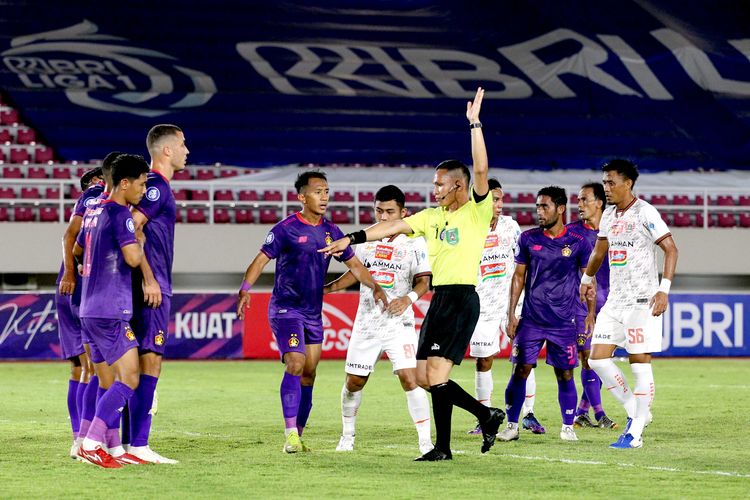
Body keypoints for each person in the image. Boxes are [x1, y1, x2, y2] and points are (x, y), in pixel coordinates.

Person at [321, 87, 505, 462]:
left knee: (435, 377)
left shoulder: (476, 211)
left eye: (439, 183)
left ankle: (484, 417)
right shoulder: (431, 217)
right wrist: (351, 238)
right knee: (425, 377)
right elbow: (390, 228)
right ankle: (446, 444)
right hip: (440, 301)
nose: (433, 189)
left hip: (461, 298)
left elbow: (482, 169)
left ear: (457, 184)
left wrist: (475, 124)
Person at [237, 170, 387, 454]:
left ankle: (299, 435)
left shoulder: (332, 232)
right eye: (318, 191)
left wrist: (375, 286)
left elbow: (355, 266)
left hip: (312, 313)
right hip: (285, 308)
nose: (324, 197)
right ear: (301, 197)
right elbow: (260, 260)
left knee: (309, 374)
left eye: (327, 191)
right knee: (295, 362)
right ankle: (290, 434)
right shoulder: (285, 229)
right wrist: (245, 288)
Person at [325, 185, 433, 455]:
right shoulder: (366, 239)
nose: (383, 217)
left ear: (403, 213)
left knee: (411, 379)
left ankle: (425, 442)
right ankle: (347, 436)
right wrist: (328, 289)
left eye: (390, 212)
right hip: (367, 323)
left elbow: (424, 281)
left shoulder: (415, 241)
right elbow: (355, 273)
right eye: (379, 211)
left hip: (400, 323)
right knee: (354, 383)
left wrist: (407, 299)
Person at [580, 159, 678, 449]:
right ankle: (637, 410)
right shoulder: (609, 215)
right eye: (605, 182)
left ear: (628, 183)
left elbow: (671, 249)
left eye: (611, 182)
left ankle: (634, 433)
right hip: (615, 302)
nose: (606, 187)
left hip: (641, 301)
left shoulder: (645, 212)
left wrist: (664, 290)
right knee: (597, 359)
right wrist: (586, 278)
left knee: (639, 363)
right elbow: (599, 252)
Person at [498, 186, 594, 443]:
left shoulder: (578, 243)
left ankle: (567, 426)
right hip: (531, 319)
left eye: (545, 207)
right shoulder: (528, 239)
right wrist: (511, 315)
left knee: (565, 373)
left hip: (564, 322)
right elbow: (518, 277)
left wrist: (590, 315)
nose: (539, 212)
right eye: (537, 207)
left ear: (560, 209)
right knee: (521, 370)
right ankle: (512, 425)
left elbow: (588, 283)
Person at [73, 154, 150, 468]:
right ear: (125, 183)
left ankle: (115, 449)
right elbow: (133, 258)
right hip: (110, 309)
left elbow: (78, 249)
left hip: (89, 309)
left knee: (106, 381)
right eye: (142, 184)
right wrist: (140, 239)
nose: (144, 191)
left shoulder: (93, 211)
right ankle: (91, 443)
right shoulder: (120, 213)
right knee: (130, 378)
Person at [127, 124, 187, 464]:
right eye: (182, 144)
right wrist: (148, 277)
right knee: (151, 360)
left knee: (135, 364)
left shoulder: (153, 187)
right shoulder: (156, 188)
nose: (186, 151)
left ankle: (122, 444)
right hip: (151, 288)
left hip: (146, 284)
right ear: (166, 150)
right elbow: (132, 225)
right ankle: (138, 445)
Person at [466, 178, 521, 434]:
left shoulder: (512, 227)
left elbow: (523, 262)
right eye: (494, 200)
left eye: (500, 199)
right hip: (482, 304)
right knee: (483, 360)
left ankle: (527, 414)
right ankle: (484, 416)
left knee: (524, 358)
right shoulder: (467, 227)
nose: (499, 205)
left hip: (512, 300)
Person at [57, 166, 103, 458]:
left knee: (79, 367)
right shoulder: (95, 197)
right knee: (93, 367)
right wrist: (74, 275)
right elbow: (72, 242)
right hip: (81, 289)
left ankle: (78, 436)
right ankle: (86, 437)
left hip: (69, 287)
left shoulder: (87, 206)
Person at [568, 182, 617, 430]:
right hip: (582, 303)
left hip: (611, 301)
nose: (579, 205)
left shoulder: (614, 229)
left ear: (599, 202)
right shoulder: (571, 233)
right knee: (587, 357)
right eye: (578, 200)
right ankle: (600, 414)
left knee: (601, 359)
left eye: (584, 199)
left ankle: (581, 412)